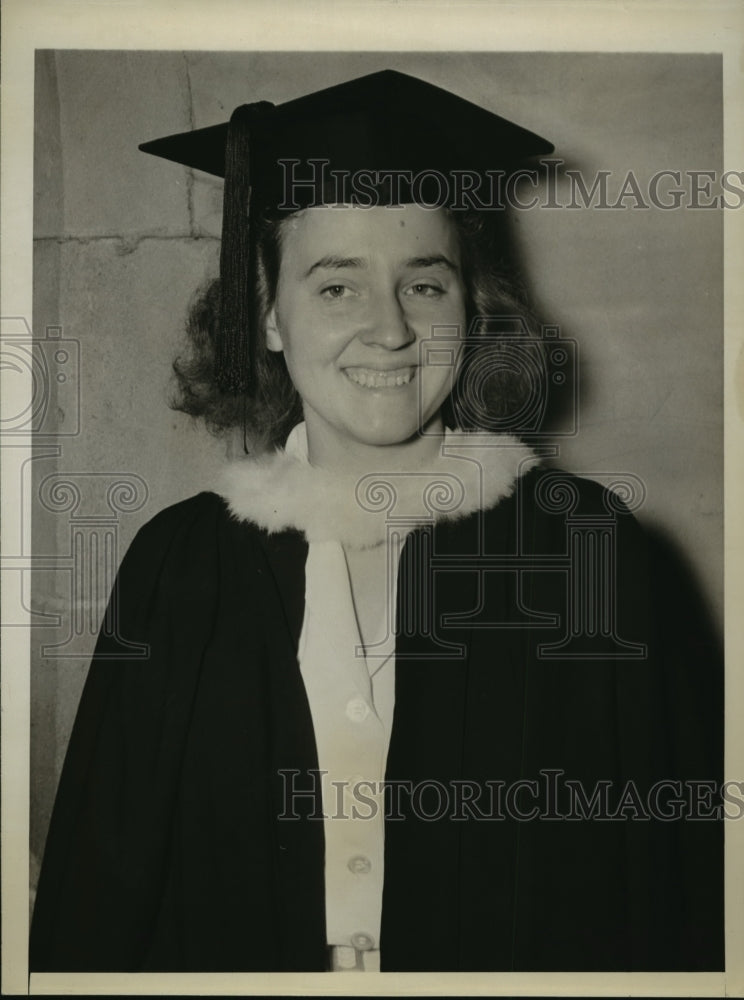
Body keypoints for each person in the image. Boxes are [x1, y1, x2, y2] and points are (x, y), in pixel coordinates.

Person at [30, 68, 723, 973]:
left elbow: (681, 895)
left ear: (470, 310)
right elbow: (102, 897)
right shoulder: (181, 563)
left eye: (425, 285)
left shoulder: (588, 551)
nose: (391, 329)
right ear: (269, 314)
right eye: (336, 287)